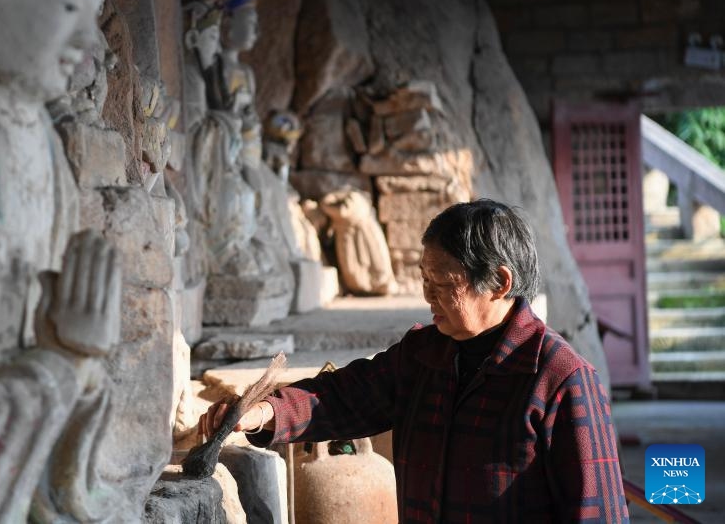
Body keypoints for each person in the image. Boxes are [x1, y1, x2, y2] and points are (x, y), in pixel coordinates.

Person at [200, 199, 629, 523]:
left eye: (441, 282)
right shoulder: (425, 355)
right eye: (424, 279)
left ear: (498, 283)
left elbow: (599, 514)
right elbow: (342, 398)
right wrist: (263, 413)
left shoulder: (561, 380)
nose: (427, 296)